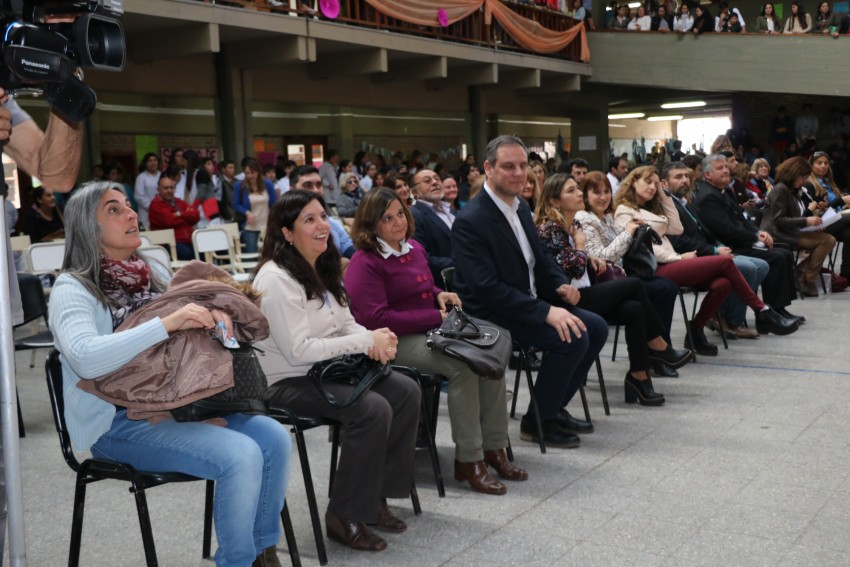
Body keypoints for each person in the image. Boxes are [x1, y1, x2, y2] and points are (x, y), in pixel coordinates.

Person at [49, 182, 291, 567]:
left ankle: (263, 553)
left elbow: (184, 346)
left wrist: (216, 319)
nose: (131, 214)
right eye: (114, 209)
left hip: (183, 407)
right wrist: (168, 323)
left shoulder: (153, 270)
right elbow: (85, 359)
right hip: (116, 426)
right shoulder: (72, 288)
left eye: (129, 205)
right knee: (241, 454)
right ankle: (238, 562)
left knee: (274, 437)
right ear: (86, 227)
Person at [253, 190, 418, 552]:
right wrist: (364, 342)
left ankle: (375, 499)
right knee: (372, 409)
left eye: (323, 217)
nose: (322, 226)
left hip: (327, 372)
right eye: (309, 220)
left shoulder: (322, 265)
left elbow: (347, 323)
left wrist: (375, 339)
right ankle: (343, 515)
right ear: (286, 233)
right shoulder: (276, 279)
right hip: (286, 382)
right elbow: (298, 353)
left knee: (405, 391)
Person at [344, 188, 526, 493]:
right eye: (386, 217)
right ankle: (469, 460)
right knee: (464, 366)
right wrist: (434, 317)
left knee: (489, 357)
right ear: (371, 224)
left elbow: (423, 289)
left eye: (400, 213)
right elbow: (377, 320)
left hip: (429, 332)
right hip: (388, 342)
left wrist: (438, 295)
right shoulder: (366, 261)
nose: (397, 221)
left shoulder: (414, 248)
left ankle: (494, 448)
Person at [452, 135, 608, 448]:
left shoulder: (520, 206)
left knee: (596, 327)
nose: (519, 173)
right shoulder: (472, 220)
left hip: (527, 302)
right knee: (572, 337)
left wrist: (560, 285)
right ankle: (539, 422)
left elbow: (541, 257)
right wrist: (546, 311)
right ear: (489, 168)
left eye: (523, 165)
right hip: (492, 314)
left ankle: (549, 408)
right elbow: (487, 289)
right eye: (508, 166)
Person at [536, 173, 691, 403]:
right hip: (568, 299)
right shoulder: (551, 228)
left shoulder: (573, 223)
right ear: (554, 201)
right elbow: (572, 270)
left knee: (634, 308)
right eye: (572, 191)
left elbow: (580, 261)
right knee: (635, 285)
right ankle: (659, 345)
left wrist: (588, 256)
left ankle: (640, 377)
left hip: (587, 289)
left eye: (577, 188)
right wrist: (582, 247)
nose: (578, 193)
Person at [615, 166, 798, 355]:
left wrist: (663, 193)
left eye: (655, 183)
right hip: (655, 267)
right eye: (648, 182)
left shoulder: (651, 207)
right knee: (725, 262)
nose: (652, 187)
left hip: (672, 262)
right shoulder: (625, 211)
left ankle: (696, 329)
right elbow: (643, 247)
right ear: (632, 183)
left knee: (723, 284)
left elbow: (676, 229)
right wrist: (677, 257)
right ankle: (762, 309)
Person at [575, 171, 682, 377]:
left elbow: (676, 228)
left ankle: (639, 376)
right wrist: (628, 232)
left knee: (645, 301)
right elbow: (604, 258)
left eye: (607, 191)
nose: (603, 197)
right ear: (585, 195)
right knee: (647, 287)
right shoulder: (584, 219)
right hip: (596, 284)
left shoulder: (606, 216)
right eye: (596, 192)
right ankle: (659, 347)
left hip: (616, 278)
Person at [692, 154, 804, 325]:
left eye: (725, 166)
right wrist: (753, 237)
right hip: (729, 246)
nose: (726, 170)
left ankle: (779, 307)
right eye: (719, 168)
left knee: (785, 253)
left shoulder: (723, 190)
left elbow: (741, 219)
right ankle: (770, 311)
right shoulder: (708, 197)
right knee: (777, 257)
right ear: (707, 175)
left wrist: (758, 232)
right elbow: (726, 230)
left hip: (740, 240)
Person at [663, 162, 768, 340]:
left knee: (761, 265)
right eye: (678, 177)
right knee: (749, 267)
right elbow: (678, 241)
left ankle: (722, 315)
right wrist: (713, 250)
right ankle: (733, 321)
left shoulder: (684, 202)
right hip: (689, 257)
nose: (684, 181)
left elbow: (705, 231)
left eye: (686, 176)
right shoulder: (666, 206)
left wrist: (718, 245)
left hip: (708, 252)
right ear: (664, 183)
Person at [760, 157, 836, 295]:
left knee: (828, 239)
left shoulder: (793, 190)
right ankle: (805, 279)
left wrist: (812, 224)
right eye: (803, 177)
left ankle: (801, 274)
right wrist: (806, 221)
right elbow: (779, 220)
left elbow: (795, 216)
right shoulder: (780, 190)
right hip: (777, 234)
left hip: (790, 231)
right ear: (794, 175)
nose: (804, 181)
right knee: (827, 240)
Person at [289, 165, 357, 261]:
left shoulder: (331, 221)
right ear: (292, 190)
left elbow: (347, 246)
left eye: (318, 185)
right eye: (308, 185)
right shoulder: (286, 222)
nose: (316, 190)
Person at [803, 151, 850, 278]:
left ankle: (846, 275)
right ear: (811, 166)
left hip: (835, 221)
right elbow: (814, 210)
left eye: (826, 163)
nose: (823, 166)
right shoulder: (808, 184)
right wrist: (841, 200)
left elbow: (832, 206)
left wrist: (844, 203)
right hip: (819, 224)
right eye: (819, 163)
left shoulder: (829, 183)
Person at [410, 169, 456, 286]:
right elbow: (422, 257)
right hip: (444, 285)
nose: (435, 182)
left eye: (437, 178)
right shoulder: (415, 215)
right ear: (415, 192)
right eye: (427, 181)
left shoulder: (452, 211)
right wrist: (460, 262)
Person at [149, 172, 200, 261]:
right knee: (188, 254)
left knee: (204, 249)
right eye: (166, 188)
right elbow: (169, 221)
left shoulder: (179, 202)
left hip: (188, 240)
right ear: (158, 189)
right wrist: (187, 215)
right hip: (168, 243)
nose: (169, 190)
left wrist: (180, 214)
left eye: (172, 188)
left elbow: (196, 215)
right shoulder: (155, 206)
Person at [234, 159, 277, 253]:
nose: (250, 176)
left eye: (252, 173)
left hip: (266, 226)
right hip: (250, 227)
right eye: (247, 173)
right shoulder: (240, 186)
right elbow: (236, 204)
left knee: (269, 254)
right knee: (251, 254)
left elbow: (274, 203)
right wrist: (247, 212)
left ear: (258, 172)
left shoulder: (267, 184)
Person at [134, 152, 161, 230]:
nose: (153, 163)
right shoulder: (141, 177)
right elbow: (139, 196)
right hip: (146, 213)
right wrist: (153, 208)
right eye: (150, 161)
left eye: (155, 160)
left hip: (162, 212)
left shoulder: (162, 175)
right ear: (145, 163)